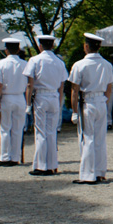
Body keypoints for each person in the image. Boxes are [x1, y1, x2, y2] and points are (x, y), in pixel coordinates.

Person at [68, 33, 113, 185]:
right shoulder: (107, 64)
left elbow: (74, 90)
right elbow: (109, 87)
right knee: (100, 138)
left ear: (86, 46)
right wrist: (104, 101)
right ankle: (100, 172)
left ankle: (88, 174)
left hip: (87, 101)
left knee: (87, 138)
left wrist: (74, 111)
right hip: (101, 101)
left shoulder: (79, 65)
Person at [21, 35, 68, 173]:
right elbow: (62, 85)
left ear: (40, 46)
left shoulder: (35, 60)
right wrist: (59, 102)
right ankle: (52, 165)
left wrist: (28, 103)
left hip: (41, 95)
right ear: (52, 45)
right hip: (54, 96)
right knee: (51, 132)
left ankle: (41, 165)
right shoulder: (59, 62)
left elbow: (30, 84)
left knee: (40, 131)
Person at [0, 38, 28, 167]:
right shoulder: (25, 64)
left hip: (7, 97)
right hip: (20, 97)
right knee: (18, 129)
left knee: (5, 128)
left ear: (6, 50)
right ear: (18, 50)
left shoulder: (1, 64)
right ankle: (15, 157)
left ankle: (4, 157)